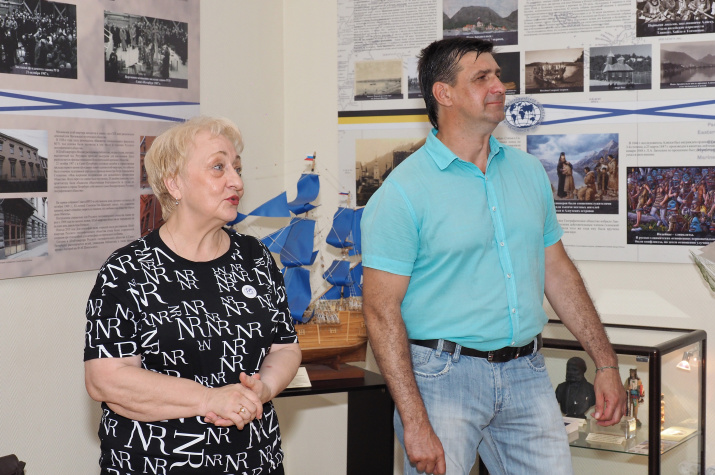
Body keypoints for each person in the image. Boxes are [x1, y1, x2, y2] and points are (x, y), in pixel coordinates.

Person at [361, 37, 626, 475]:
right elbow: (380, 311)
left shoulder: (529, 172)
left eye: (498, 76)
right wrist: (414, 420)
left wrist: (606, 362)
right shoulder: (402, 192)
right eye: (481, 77)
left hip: (526, 372)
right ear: (444, 94)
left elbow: (558, 272)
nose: (500, 86)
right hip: (441, 379)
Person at [84, 116, 301, 474]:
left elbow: (285, 348)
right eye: (218, 167)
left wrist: (262, 389)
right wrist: (208, 399)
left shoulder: (255, 258)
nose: (237, 181)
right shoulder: (127, 270)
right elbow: (105, 379)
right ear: (175, 184)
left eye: (237, 168)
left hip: (254, 460)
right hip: (156, 464)